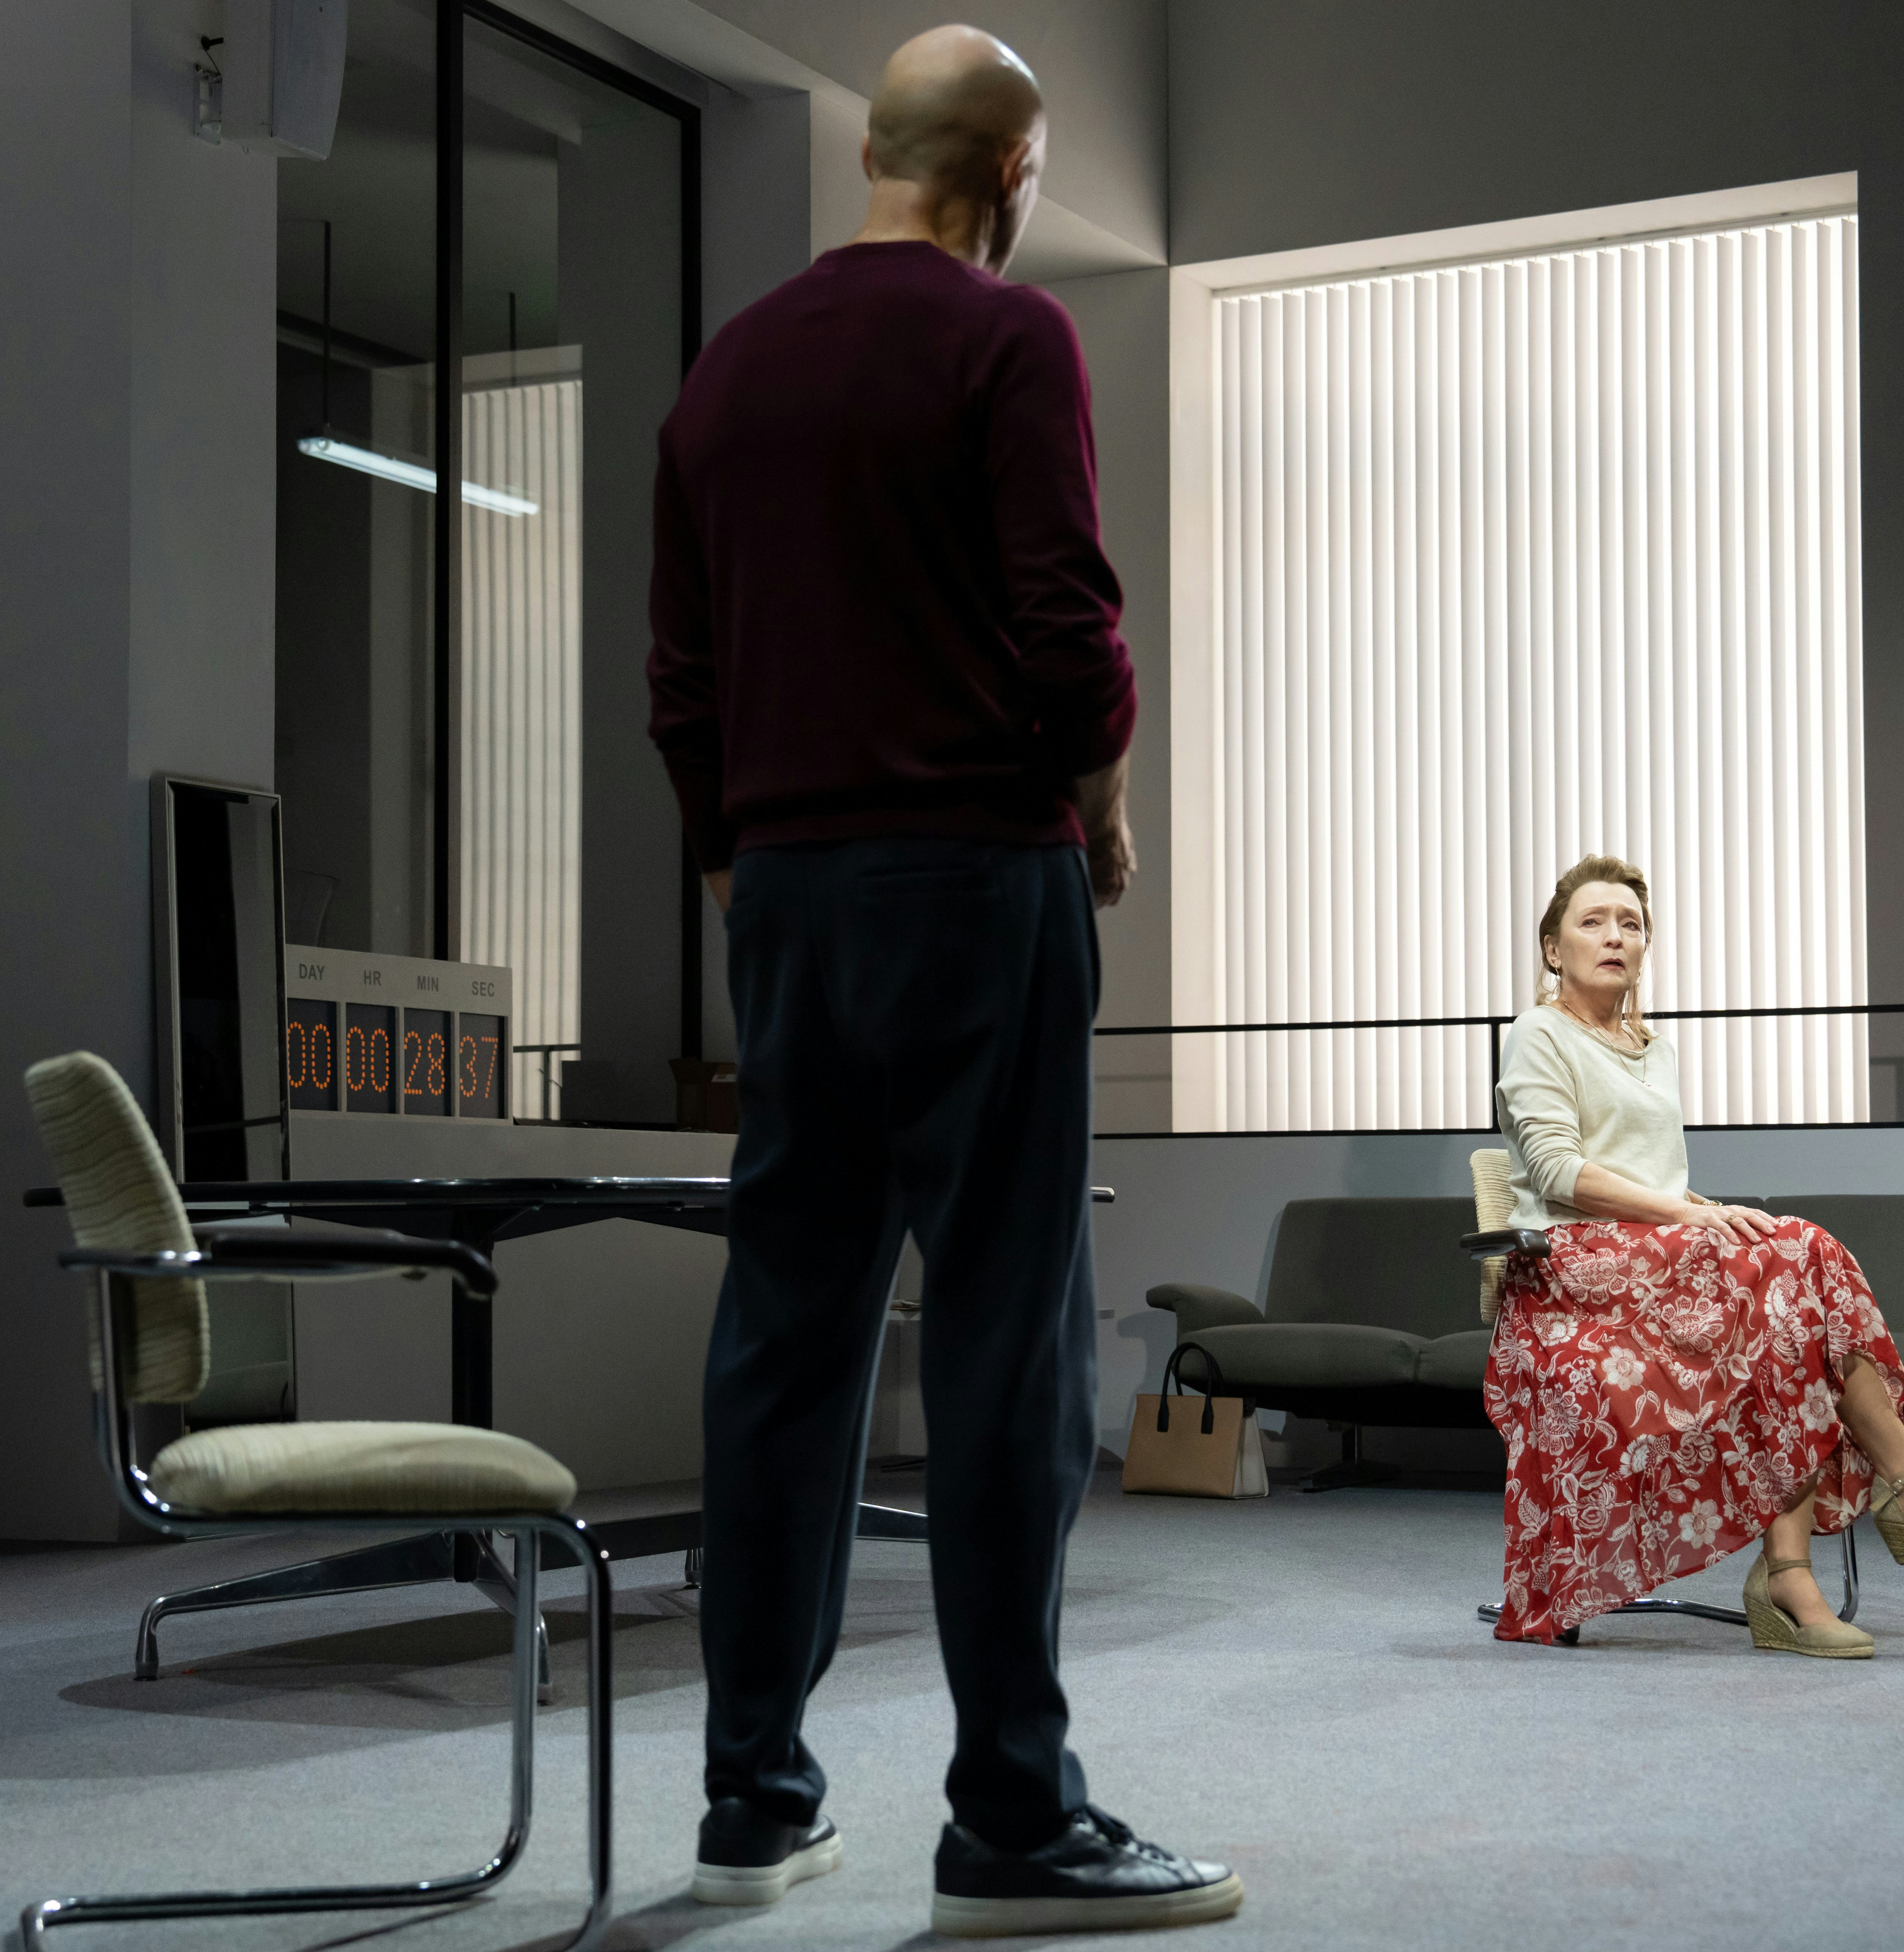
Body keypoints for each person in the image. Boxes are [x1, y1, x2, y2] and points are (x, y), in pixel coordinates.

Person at [643, 21, 1242, 1939]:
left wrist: (752, 872)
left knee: (785, 1337)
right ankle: (1011, 1814)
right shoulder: (1008, 340)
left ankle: (754, 1794)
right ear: (1006, 171)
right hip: (980, 877)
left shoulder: (722, 377)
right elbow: (1069, 616)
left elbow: (682, 682)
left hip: (791, 897)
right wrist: (1102, 801)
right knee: (1003, 1335)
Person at [1485, 854, 1904, 1654]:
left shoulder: (1653, 1048)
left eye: (1631, 924)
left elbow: (1657, 1178)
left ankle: (1793, 1571)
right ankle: (1900, 1494)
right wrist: (1691, 1214)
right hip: (1569, 1270)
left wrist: (1705, 1213)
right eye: (1593, 922)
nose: (1615, 937)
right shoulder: (1539, 1034)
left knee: (1792, 1291)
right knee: (1795, 1254)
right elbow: (1557, 1170)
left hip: (1653, 1256)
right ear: (1551, 946)